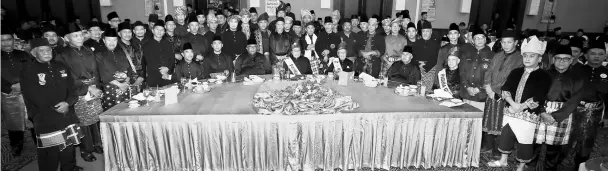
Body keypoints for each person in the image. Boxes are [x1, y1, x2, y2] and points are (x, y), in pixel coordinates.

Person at [487, 35, 552, 171]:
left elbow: (539, 96)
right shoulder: (516, 72)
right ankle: (503, 160)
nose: (527, 59)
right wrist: (512, 104)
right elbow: (506, 88)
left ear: (539, 58)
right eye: (525, 56)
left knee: (525, 141)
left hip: (528, 114)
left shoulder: (544, 76)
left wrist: (520, 107)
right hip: (510, 111)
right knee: (505, 136)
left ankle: (521, 166)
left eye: (532, 56)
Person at [21, 38, 84, 171]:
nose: (46, 53)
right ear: (34, 53)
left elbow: (72, 89)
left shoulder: (61, 66)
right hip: (45, 117)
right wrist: (58, 108)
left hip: (67, 113)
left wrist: (68, 103)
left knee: (68, 146)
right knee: (50, 152)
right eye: (41, 50)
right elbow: (33, 96)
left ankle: (69, 168)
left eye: (48, 49)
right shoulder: (29, 70)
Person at [530, 45, 585, 171]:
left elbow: (574, 101)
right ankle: (531, 166)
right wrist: (542, 112)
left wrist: (555, 116)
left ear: (571, 60)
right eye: (558, 58)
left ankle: (549, 168)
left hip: (562, 114)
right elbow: (535, 94)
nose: (561, 61)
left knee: (554, 148)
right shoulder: (542, 74)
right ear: (553, 60)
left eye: (566, 59)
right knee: (534, 144)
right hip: (540, 109)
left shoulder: (578, 77)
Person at [55, 25, 104, 162]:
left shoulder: (88, 50)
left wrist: (96, 85)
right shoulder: (62, 54)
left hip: (94, 88)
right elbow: (67, 76)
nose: (80, 38)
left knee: (96, 119)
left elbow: (96, 69)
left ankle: (97, 144)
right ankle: (85, 149)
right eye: (75, 35)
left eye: (81, 35)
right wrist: (88, 87)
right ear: (66, 38)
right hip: (78, 92)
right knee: (83, 122)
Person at [566, 40, 608, 170]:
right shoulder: (575, 70)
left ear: (605, 56)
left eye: (600, 54)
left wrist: (606, 116)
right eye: (593, 53)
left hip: (594, 113)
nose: (597, 56)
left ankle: (580, 166)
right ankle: (554, 163)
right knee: (566, 140)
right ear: (586, 55)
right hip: (573, 110)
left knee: (587, 142)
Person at [481, 30, 523, 154]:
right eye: (503, 42)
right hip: (491, 93)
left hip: (506, 96)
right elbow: (489, 71)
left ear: (516, 42)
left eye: (509, 42)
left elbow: (512, 78)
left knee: (501, 123)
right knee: (488, 119)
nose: (505, 45)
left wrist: (498, 91)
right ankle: (487, 146)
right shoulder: (497, 55)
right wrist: (488, 88)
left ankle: (498, 150)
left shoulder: (520, 58)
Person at [1, 30, 34, 157]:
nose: (5, 43)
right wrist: (9, 87)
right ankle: (16, 145)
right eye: (2, 40)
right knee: (13, 121)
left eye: (8, 39)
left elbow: (32, 70)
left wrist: (24, 84)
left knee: (34, 118)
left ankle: (39, 141)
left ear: (13, 41)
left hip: (28, 92)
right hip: (8, 94)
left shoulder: (23, 54)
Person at [95, 29, 136, 111]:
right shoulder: (99, 54)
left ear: (117, 41)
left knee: (127, 111)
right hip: (110, 89)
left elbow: (129, 70)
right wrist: (120, 85)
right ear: (104, 40)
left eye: (114, 40)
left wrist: (126, 82)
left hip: (125, 87)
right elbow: (103, 74)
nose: (112, 42)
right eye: (109, 40)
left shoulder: (121, 52)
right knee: (113, 113)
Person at [459, 26, 495, 110]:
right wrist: (467, 87)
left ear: (485, 39)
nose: (479, 40)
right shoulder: (466, 53)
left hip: (481, 95)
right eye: (476, 38)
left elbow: (492, 75)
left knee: (478, 120)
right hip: (466, 94)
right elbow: (461, 72)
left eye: (481, 38)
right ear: (473, 40)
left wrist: (479, 88)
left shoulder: (492, 55)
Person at [142, 20, 176, 87]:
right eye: (157, 29)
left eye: (161, 30)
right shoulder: (147, 45)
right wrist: (162, 71)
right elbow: (149, 61)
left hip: (167, 75)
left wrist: (167, 69)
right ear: (153, 30)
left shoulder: (168, 44)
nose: (159, 32)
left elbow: (172, 59)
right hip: (154, 77)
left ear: (164, 32)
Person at [411, 21, 440, 93]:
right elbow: (413, 57)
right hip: (417, 69)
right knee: (416, 91)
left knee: (426, 92)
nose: (425, 33)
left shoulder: (436, 44)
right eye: (423, 31)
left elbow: (436, 58)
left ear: (431, 32)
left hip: (430, 70)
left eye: (427, 31)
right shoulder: (416, 43)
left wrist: (425, 66)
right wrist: (418, 64)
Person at [117, 22, 145, 89]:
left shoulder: (136, 46)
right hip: (124, 81)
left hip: (141, 79)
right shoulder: (117, 48)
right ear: (119, 34)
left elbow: (144, 62)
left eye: (129, 32)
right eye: (124, 32)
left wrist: (141, 77)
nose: (127, 34)